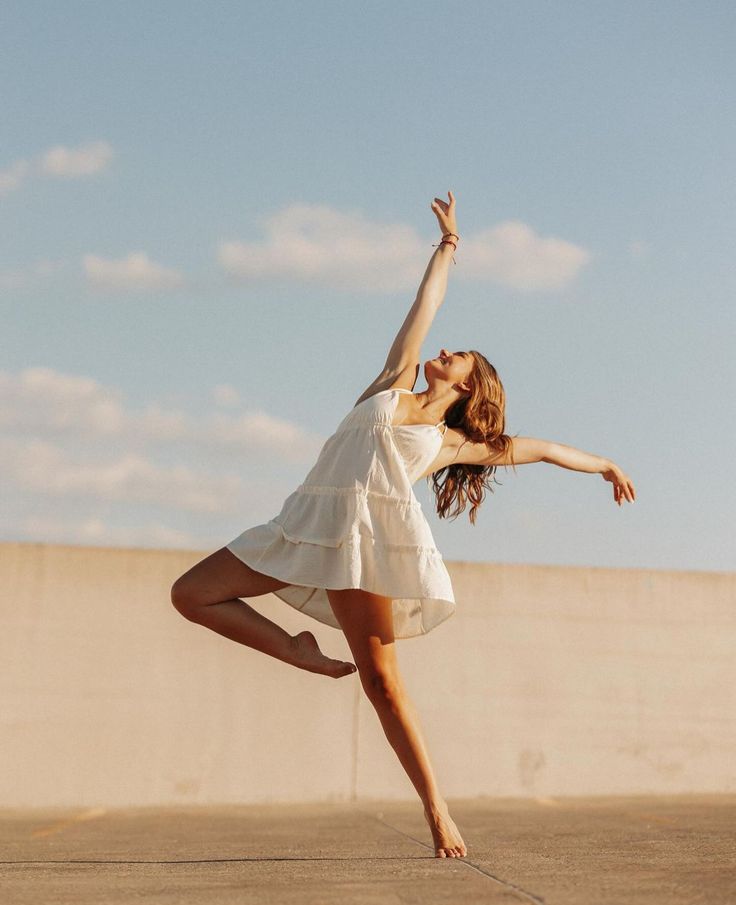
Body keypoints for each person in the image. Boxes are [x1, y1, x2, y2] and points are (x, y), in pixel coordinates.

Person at [171, 191, 636, 859]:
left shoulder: (451, 443)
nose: (441, 352)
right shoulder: (390, 383)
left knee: (383, 682)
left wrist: (604, 464)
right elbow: (426, 306)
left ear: (472, 387)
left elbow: (537, 448)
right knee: (190, 593)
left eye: (458, 358)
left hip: (364, 547)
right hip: (301, 523)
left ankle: (437, 809)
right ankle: (295, 649)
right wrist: (448, 246)